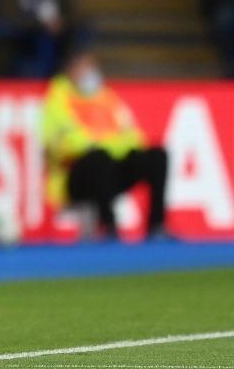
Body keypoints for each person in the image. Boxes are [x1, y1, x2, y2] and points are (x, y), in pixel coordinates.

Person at [41, 49, 169, 238]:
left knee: (157, 156)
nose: (92, 72)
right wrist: (105, 144)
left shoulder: (107, 97)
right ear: (71, 71)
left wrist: (102, 144)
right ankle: (109, 226)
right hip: (76, 178)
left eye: (93, 67)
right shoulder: (57, 99)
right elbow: (61, 143)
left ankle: (157, 226)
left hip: (111, 168)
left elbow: (134, 137)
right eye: (86, 67)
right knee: (98, 159)